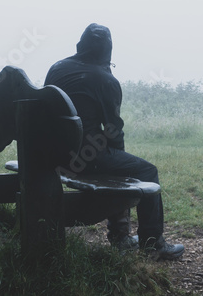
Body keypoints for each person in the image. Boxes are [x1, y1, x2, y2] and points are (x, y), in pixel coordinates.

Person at [44, 23, 184, 260]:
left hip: (52, 154)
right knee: (146, 170)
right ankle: (152, 245)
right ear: (108, 51)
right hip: (84, 159)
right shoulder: (104, 79)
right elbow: (113, 131)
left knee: (117, 160)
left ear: (80, 46)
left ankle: (121, 236)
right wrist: (118, 160)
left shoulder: (57, 68)